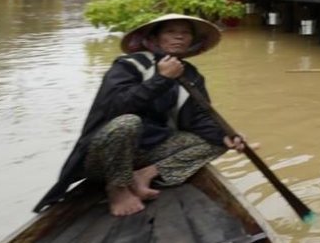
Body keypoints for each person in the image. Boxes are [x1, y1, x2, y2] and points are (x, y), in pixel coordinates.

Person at [34, 14, 245, 216]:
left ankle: (145, 174)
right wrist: (161, 79)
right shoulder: (129, 65)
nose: (179, 36)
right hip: (105, 156)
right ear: (153, 38)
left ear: (192, 41)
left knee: (218, 142)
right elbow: (114, 108)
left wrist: (224, 135)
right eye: (171, 31)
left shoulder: (190, 75)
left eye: (185, 33)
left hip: (147, 154)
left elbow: (198, 118)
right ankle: (118, 189)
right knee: (127, 123)